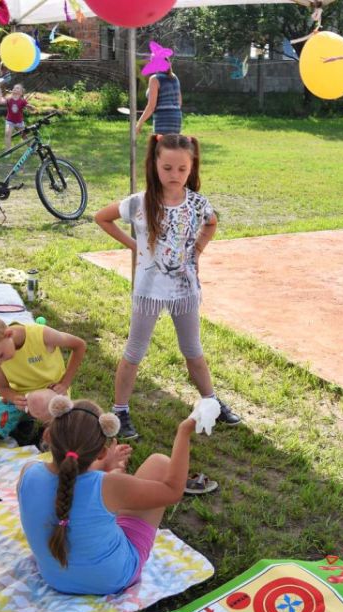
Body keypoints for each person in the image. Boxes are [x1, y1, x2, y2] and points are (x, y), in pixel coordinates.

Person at [94, 133, 241, 444]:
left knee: (193, 350)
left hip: (184, 290)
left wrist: (197, 250)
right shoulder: (139, 202)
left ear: (192, 168)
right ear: (155, 165)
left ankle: (211, 402)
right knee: (134, 352)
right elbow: (102, 217)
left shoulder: (198, 203)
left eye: (182, 169)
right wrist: (134, 245)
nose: (175, 175)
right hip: (148, 291)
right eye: (167, 168)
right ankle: (120, 410)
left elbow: (211, 223)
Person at [17, 395, 196, 595]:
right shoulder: (109, 485)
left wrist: (104, 467)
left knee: (104, 502)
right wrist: (184, 432)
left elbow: (71, 484)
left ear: (47, 436)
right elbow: (172, 491)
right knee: (160, 464)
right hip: (112, 579)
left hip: (55, 578)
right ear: (101, 452)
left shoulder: (28, 472)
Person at [0, 314, 86, 450]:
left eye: (0, 356)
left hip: (51, 395)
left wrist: (65, 383)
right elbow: (3, 388)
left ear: (9, 334)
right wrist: (14, 398)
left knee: (58, 444)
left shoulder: (42, 335)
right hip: (21, 401)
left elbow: (79, 345)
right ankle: (24, 426)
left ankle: (51, 430)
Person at [136, 65, 182, 135]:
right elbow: (179, 102)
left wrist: (139, 124)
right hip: (176, 118)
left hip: (162, 119)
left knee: (161, 141)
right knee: (172, 142)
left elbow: (151, 106)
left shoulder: (155, 79)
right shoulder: (174, 77)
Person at [0, 82, 36, 151]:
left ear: (21, 92)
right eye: (14, 87)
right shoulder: (9, 99)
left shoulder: (22, 101)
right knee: (7, 134)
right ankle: (8, 151)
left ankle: (31, 149)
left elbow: (28, 106)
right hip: (10, 121)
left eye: (17, 88)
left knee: (24, 135)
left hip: (19, 122)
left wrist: (31, 107)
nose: (14, 88)